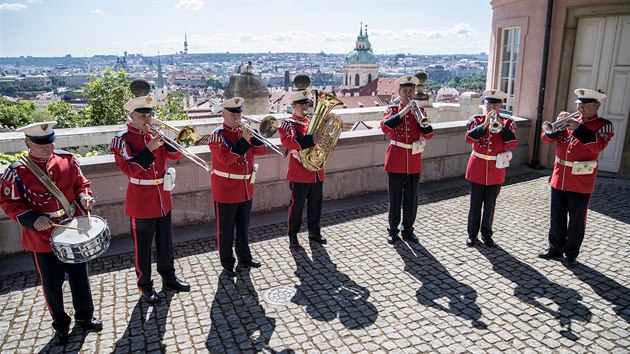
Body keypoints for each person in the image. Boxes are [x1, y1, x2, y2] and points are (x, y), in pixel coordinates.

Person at [0, 121, 102, 345]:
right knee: (52, 285)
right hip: (42, 237)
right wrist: (33, 219)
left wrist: (85, 197)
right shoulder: (17, 171)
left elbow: (81, 184)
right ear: (27, 143)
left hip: (72, 229)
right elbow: (9, 202)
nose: (48, 148)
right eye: (41, 144)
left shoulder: (67, 160)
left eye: (50, 142)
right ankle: (60, 325)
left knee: (80, 278)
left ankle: (85, 316)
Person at [110, 95, 190, 305]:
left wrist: (169, 141)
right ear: (132, 116)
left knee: (166, 242)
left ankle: (169, 277)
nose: (148, 119)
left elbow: (177, 156)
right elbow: (129, 169)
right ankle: (145, 285)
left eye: (150, 114)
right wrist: (149, 149)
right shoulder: (122, 139)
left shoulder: (155, 134)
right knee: (143, 248)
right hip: (141, 199)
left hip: (163, 196)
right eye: (143, 115)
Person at [538, 88, 614, 266]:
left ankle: (571, 252)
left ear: (597, 105)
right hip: (560, 175)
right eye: (579, 104)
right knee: (556, 215)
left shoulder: (603, 125)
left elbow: (598, 147)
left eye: (585, 105)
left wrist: (579, 128)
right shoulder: (570, 122)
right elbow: (547, 139)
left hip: (581, 179)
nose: (581, 108)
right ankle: (555, 248)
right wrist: (556, 125)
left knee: (577, 218)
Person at [208, 97, 266, 277]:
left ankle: (245, 257)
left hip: (245, 186)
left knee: (243, 226)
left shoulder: (244, 132)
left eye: (239, 113)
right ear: (223, 114)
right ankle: (227, 263)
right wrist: (243, 140)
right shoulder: (217, 135)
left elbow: (261, 150)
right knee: (225, 229)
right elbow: (225, 159)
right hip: (226, 188)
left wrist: (254, 135)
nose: (237, 117)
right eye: (233, 114)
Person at [380, 75, 434, 244]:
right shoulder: (392, 110)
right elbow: (384, 128)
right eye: (405, 91)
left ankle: (408, 229)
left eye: (411, 91)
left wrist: (420, 120)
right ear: (399, 92)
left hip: (413, 159)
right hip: (396, 158)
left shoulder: (420, 111)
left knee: (411, 198)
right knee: (395, 198)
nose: (409, 94)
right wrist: (403, 112)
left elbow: (430, 134)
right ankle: (393, 230)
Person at [464, 89, 518, 247]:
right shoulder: (476, 119)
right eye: (489, 103)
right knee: (475, 204)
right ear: (484, 103)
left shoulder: (508, 122)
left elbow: (513, 143)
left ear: (501, 104)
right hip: (477, 166)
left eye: (495, 103)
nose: (492, 107)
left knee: (490, 205)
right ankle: (472, 234)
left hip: (496, 168)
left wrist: (501, 127)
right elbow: (469, 138)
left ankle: (487, 233)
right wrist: (485, 124)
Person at [279, 90, 328, 247]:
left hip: (316, 171)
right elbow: (289, 142)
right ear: (293, 105)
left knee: (316, 204)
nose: (305, 106)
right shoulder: (288, 124)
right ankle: (293, 236)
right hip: (299, 172)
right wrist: (311, 139)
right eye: (301, 104)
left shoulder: (313, 121)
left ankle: (314, 232)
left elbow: (322, 142)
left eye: (306, 103)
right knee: (297, 207)